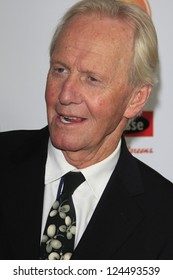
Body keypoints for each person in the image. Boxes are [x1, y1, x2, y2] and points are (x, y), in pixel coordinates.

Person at [0, 0, 173, 260]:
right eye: (60, 70)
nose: (66, 95)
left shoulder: (165, 217)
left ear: (135, 98)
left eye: (92, 79)